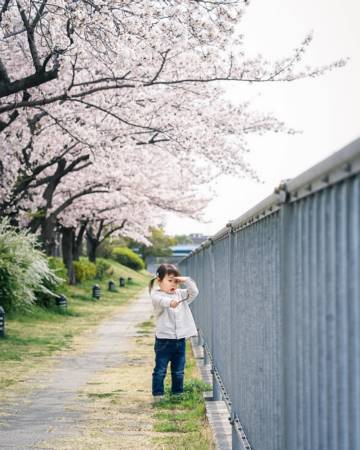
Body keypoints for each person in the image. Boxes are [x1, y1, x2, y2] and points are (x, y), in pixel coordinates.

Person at [148, 263, 199, 402]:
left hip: (180, 340)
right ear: (159, 281)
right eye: (169, 281)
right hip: (164, 341)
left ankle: (177, 393)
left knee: (178, 371)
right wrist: (171, 303)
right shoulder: (156, 294)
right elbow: (162, 301)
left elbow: (194, 292)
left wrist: (186, 280)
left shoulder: (180, 293)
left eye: (175, 281)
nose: (173, 284)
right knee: (160, 369)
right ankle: (158, 395)